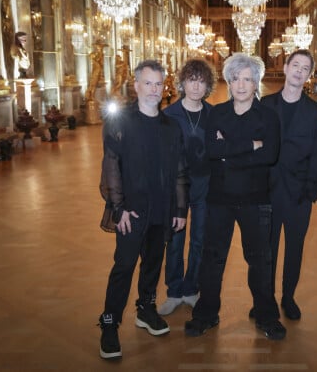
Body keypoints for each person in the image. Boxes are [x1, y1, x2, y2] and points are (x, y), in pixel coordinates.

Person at [184, 53, 286, 340]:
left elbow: (270, 155)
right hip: (219, 198)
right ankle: (206, 314)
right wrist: (251, 145)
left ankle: (266, 315)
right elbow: (211, 153)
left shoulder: (268, 116)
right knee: (212, 259)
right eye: (235, 78)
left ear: (256, 83)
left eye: (247, 79)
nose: (241, 85)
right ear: (228, 82)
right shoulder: (216, 114)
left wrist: (229, 149)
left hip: (256, 199)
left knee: (260, 260)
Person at [98, 59, 189, 359]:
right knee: (123, 266)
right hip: (131, 211)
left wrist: (179, 209)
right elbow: (111, 164)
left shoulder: (170, 126)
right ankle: (110, 324)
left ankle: (145, 309)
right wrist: (118, 208)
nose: (153, 89)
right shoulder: (121, 121)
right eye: (147, 83)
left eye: (158, 84)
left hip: (162, 209)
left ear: (164, 88)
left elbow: (178, 170)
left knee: (153, 262)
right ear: (135, 85)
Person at [258, 49, 317, 320]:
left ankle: (288, 297)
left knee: (294, 249)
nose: (299, 70)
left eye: (305, 68)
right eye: (295, 65)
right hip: (267, 191)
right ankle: (266, 299)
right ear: (285, 68)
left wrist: (310, 191)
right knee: (267, 251)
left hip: (298, 193)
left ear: (308, 75)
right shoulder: (265, 104)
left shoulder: (315, 111)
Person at [158, 58, 216, 316]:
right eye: (191, 80)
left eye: (201, 81)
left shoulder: (214, 114)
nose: (196, 86)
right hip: (176, 189)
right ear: (182, 83)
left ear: (207, 85)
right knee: (175, 241)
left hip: (205, 185)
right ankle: (173, 291)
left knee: (200, 239)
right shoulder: (169, 115)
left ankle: (192, 288)